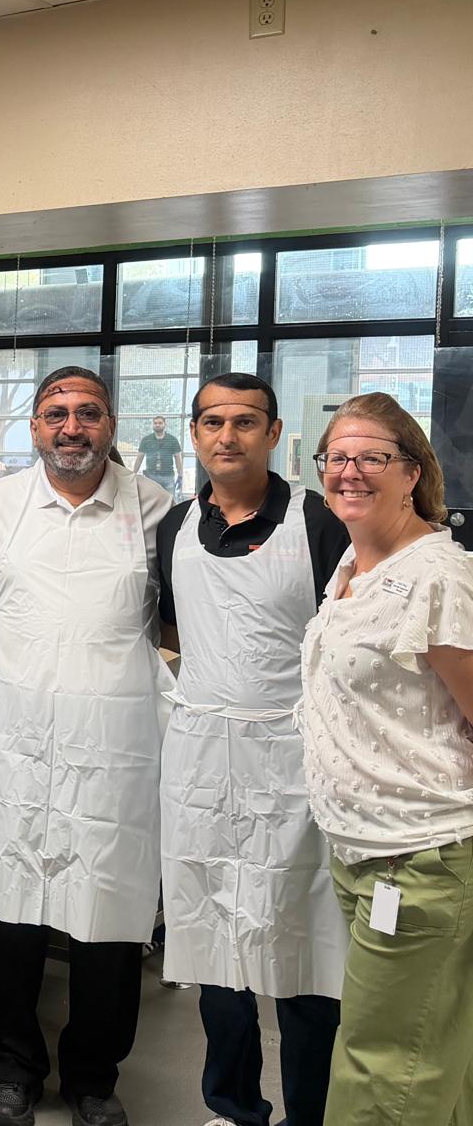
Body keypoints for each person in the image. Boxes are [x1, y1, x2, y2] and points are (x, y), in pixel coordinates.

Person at [0, 366, 173, 1126]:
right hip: (15, 744)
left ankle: (93, 1078)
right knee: (10, 914)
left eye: (88, 413)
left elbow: (179, 626)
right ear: (34, 428)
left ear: (112, 425)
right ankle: (12, 1069)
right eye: (56, 413)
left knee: (109, 920)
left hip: (115, 749)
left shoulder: (155, 510)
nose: (71, 426)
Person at [156, 374, 349, 1126]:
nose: (227, 436)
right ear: (194, 433)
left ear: (273, 433)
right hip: (202, 757)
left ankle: (310, 1114)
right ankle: (234, 1108)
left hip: (296, 760)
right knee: (215, 946)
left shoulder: (319, 522)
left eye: (244, 421)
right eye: (212, 421)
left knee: (305, 948)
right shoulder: (174, 527)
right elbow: (175, 628)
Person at [296, 392, 473, 1126]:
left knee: (383, 1073)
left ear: (412, 472)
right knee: (431, 1057)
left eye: (373, 457)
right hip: (364, 852)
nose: (350, 472)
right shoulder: (354, 562)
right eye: (337, 457)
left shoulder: (438, 576)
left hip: (419, 856)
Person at [137, 415, 183, 494]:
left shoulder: (172, 440)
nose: (157, 425)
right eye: (155, 423)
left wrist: (180, 476)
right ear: (153, 425)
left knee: (169, 500)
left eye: (160, 423)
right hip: (151, 476)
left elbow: (178, 459)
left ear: (165, 424)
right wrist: (133, 473)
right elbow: (139, 458)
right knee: (151, 500)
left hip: (168, 476)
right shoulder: (146, 440)